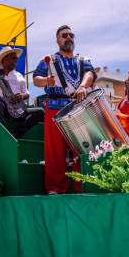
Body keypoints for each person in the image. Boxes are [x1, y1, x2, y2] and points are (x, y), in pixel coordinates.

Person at [33, 25, 96, 194]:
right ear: (57, 40)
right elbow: (36, 79)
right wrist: (47, 81)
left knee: (82, 146)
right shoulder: (50, 60)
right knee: (55, 150)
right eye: (64, 35)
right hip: (55, 105)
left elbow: (90, 74)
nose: (69, 37)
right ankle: (55, 187)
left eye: (71, 35)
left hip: (79, 106)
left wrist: (82, 86)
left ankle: (82, 185)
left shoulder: (83, 60)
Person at [0, 46, 44, 138]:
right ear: (5, 59)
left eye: (16, 58)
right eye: (13, 58)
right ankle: (2, 131)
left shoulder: (19, 76)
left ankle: (16, 134)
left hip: (17, 109)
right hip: (1, 108)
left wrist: (22, 96)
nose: (16, 60)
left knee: (40, 112)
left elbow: (27, 94)